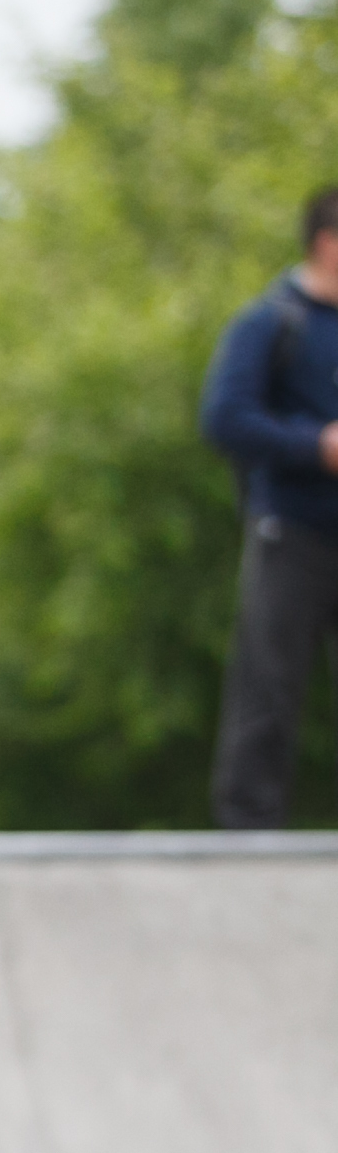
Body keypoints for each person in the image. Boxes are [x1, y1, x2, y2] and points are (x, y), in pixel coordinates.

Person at [200, 187, 338, 828]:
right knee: (270, 686)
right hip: (293, 529)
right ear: (326, 242)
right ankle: (248, 837)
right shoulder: (272, 322)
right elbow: (226, 420)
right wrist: (315, 445)